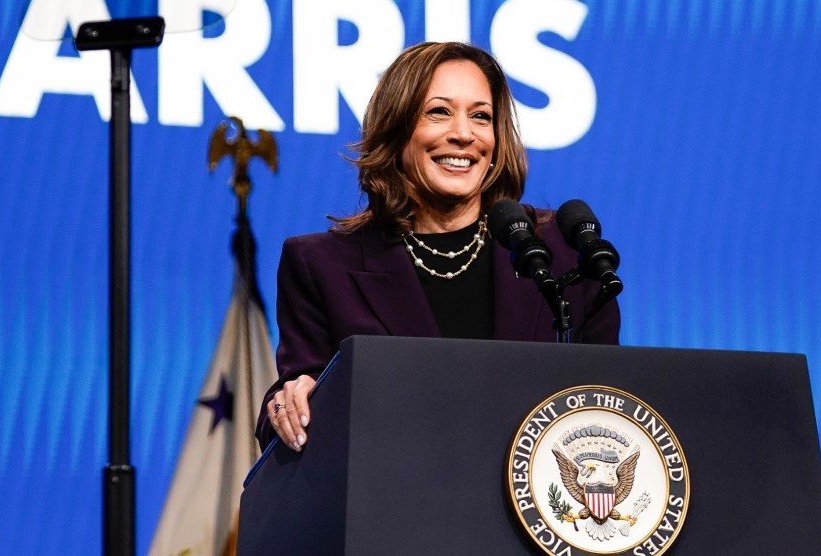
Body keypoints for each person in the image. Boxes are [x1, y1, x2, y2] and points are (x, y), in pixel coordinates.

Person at [255, 42, 619, 451]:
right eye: (438, 112)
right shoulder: (322, 265)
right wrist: (295, 398)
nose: (463, 134)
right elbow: (294, 416)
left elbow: (613, 407)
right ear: (396, 129)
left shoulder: (561, 256)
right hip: (397, 503)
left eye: (481, 117)